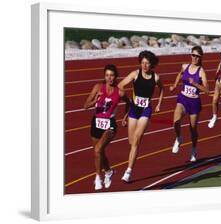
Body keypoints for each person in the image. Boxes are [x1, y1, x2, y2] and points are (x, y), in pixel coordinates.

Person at [118, 50, 164, 182]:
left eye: (147, 63)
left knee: (137, 139)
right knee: (131, 141)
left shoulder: (155, 77)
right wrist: (125, 97)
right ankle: (134, 154)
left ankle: (128, 171)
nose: (144, 65)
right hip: (133, 109)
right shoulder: (135, 74)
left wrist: (159, 104)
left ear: (152, 64)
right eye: (142, 63)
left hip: (146, 109)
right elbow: (120, 85)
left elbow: (162, 89)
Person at [84, 64, 130, 190]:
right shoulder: (98, 87)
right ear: (104, 76)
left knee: (98, 149)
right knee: (99, 153)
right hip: (96, 123)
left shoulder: (120, 92)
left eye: (112, 75)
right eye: (107, 75)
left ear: (116, 77)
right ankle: (108, 171)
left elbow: (129, 103)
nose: (109, 78)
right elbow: (85, 105)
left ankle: (98, 177)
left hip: (109, 125)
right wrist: (95, 100)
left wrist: (125, 118)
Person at [169, 46, 209, 162]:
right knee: (176, 121)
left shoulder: (201, 71)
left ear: (201, 58)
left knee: (193, 128)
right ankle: (178, 138)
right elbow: (180, 74)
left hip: (194, 102)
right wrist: (175, 85)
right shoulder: (184, 66)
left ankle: (193, 149)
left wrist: (196, 84)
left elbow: (207, 90)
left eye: (197, 56)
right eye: (193, 55)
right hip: (183, 99)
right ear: (190, 55)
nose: (195, 58)